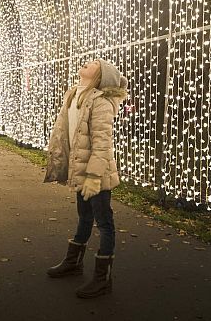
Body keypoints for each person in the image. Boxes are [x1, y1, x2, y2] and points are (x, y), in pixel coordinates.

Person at [44, 59, 128, 298]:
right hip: (81, 171)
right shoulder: (74, 94)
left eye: (93, 63)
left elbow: (103, 142)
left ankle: (103, 279)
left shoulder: (100, 102)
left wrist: (93, 176)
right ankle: (74, 263)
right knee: (84, 216)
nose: (86, 63)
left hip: (96, 174)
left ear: (100, 75)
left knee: (104, 223)